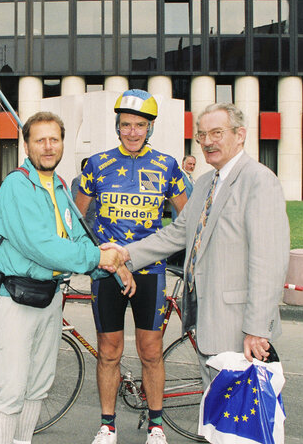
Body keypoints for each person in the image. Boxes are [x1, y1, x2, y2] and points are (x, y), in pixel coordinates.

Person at [0, 111, 135, 444]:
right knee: (10, 388)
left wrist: (106, 262)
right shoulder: (17, 186)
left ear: (63, 142)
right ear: (27, 145)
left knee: (37, 386)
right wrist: (98, 257)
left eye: (55, 139)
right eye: (40, 140)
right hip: (14, 299)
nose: (48, 146)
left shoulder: (62, 187)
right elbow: (43, 246)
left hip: (49, 298)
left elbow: (80, 237)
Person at [116, 102, 290, 388]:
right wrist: (125, 254)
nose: (208, 142)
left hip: (240, 330)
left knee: (239, 423)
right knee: (216, 416)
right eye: (202, 135)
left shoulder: (259, 181)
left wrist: (257, 330)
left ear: (240, 134)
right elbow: (177, 233)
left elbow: (269, 262)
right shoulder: (206, 182)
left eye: (217, 133)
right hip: (207, 322)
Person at [75, 89, 188, 444]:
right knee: (109, 351)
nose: (133, 132)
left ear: (150, 127)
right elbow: (77, 219)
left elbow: (189, 219)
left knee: (150, 351)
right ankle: (107, 425)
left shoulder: (167, 166)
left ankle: (156, 424)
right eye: (126, 125)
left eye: (140, 125)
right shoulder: (97, 164)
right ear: (117, 126)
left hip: (150, 271)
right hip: (107, 272)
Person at [71, 157, 97, 230]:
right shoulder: (78, 180)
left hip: (94, 222)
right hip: (86, 224)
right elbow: (76, 203)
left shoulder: (95, 180)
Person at [171, 155, 196, 221]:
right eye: (190, 164)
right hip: (181, 216)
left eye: (194, 164)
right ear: (183, 164)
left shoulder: (192, 179)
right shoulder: (179, 177)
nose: (192, 166)